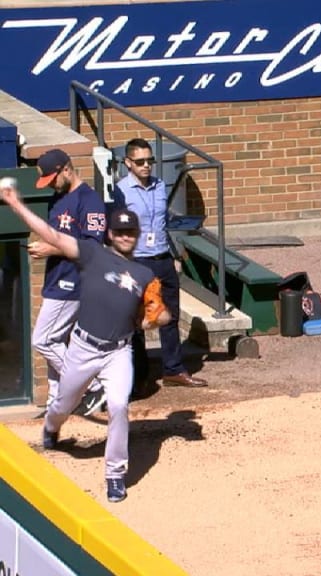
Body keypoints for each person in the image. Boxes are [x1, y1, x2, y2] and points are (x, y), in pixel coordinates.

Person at [2, 178, 171, 503]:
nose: (124, 236)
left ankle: (115, 475)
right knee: (63, 403)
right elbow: (51, 235)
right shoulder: (92, 254)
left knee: (119, 406)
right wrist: (15, 203)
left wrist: (155, 318)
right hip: (82, 347)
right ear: (110, 234)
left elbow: (162, 316)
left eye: (130, 232)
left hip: (118, 353)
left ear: (135, 236)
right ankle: (52, 427)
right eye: (119, 231)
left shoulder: (145, 275)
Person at [111, 139, 208, 389]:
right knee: (138, 320)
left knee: (170, 316)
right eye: (140, 162)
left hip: (162, 257)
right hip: (138, 260)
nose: (146, 166)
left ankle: (173, 369)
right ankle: (138, 376)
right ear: (128, 163)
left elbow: (163, 222)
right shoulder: (121, 191)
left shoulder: (159, 186)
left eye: (149, 161)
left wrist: (173, 255)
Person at [27, 149, 109, 416]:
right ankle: (56, 403)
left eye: (52, 177)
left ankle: (94, 385)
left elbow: (93, 247)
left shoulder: (89, 200)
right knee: (57, 342)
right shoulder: (58, 199)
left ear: (66, 169)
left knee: (43, 340)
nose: (50, 183)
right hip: (56, 277)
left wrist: (52, 250)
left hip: (75, 281)